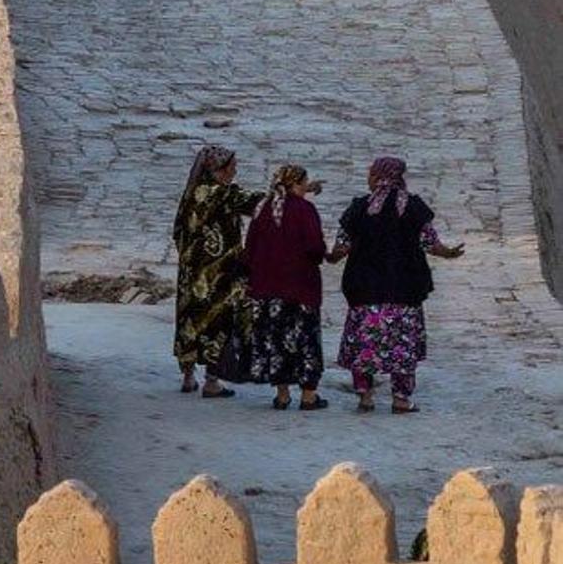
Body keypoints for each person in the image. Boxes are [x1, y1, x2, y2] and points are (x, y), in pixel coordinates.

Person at [329, 156, 464, 413]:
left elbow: (342, 246)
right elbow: (430, 243)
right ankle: (401, 399)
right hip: (404, 290)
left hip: (365, 289)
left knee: (364, 344)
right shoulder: (412, 207)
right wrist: (449, 253)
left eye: (370, 174)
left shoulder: (360, 207)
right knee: (402, 347)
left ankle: (365, 397)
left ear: (379, 176)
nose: (368, 179)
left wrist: (329, 257)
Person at [172, 144, 262, 398]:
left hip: (191, 273)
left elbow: (178, 231)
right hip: (218, 274)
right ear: (219, 170)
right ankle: (212, 381)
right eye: (232, 167)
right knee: (218, 321)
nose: (235, 171)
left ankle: (188, 377)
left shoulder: (191, 195)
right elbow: (257, 202)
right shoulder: (222, 194)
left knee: (190, 320)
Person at [244, 164, 328, 411]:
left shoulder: (263, 209)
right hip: (300, 287)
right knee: (305, 339)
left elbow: (249, 249)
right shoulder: (304, 210)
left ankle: (282, 395)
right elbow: (315, 247)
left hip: (267, 288)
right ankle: (308, 396)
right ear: (297, 184)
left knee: (277, 340)